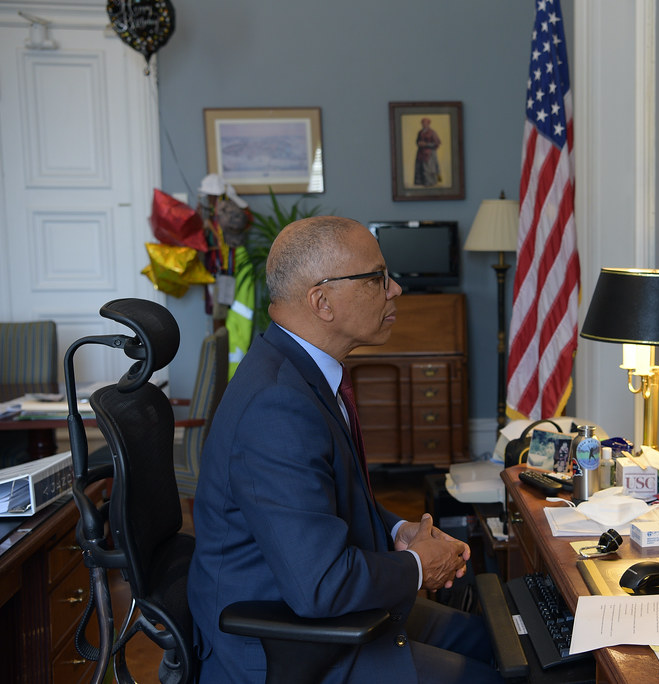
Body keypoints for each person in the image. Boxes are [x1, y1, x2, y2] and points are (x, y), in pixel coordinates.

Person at [188, 216, 500, 683]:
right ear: (322, 302)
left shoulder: (298, 369)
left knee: (493, 642)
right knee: (493, 677)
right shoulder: (277, 404)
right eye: (377, 278)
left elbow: (327, 493)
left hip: (329, 613)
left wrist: (396, 531)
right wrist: (417, 565)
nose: (395, 289)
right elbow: (320, 586)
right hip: (290, 645)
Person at [413, 117, 441, 186]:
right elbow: (417, 141)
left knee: (428, 169)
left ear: (428, 124)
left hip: (429, 154)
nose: (423, 124)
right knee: (419, 168)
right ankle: (420, 183)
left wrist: (426, 144)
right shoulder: (420, 132)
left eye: (425, 123)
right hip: (420, 153)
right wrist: (419, 143)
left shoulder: (432, 132)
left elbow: (437, 143)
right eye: (422, 123)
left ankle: (430, 183)